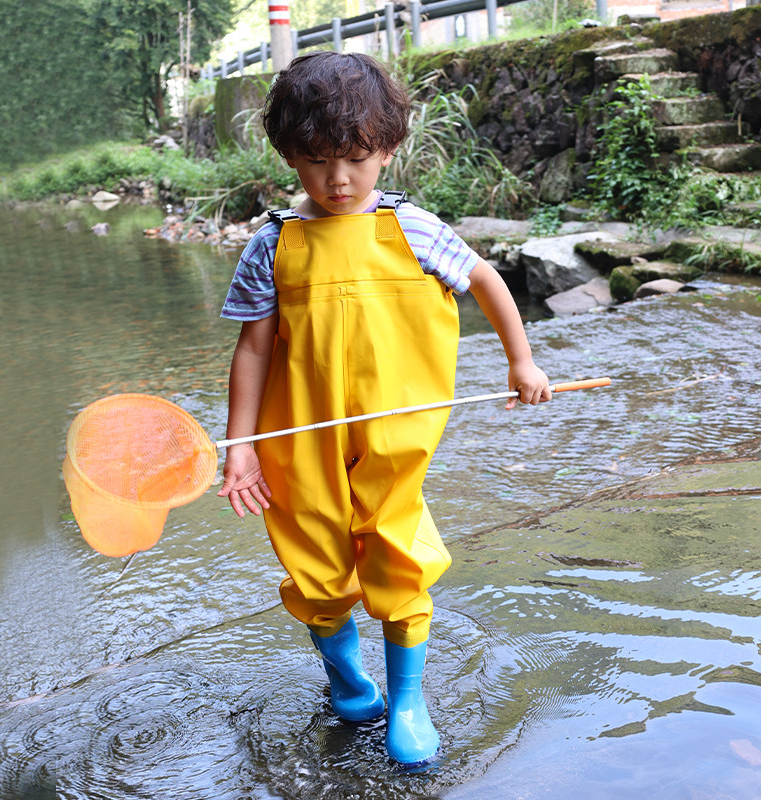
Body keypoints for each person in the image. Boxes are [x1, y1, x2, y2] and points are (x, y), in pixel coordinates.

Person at [217, 50, 551, 767]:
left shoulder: (414, 230)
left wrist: (520, 360)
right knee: (314, 560)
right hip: (296, 439)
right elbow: (252, 350)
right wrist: (239, 445)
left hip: (394, 433)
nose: (338, 179)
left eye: (357, 159)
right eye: (316, 161)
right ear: (289, 155)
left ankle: (407, 699)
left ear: (388, 151)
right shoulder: (273, 244)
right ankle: (347, 678)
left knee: (399, 552)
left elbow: (485, 280)